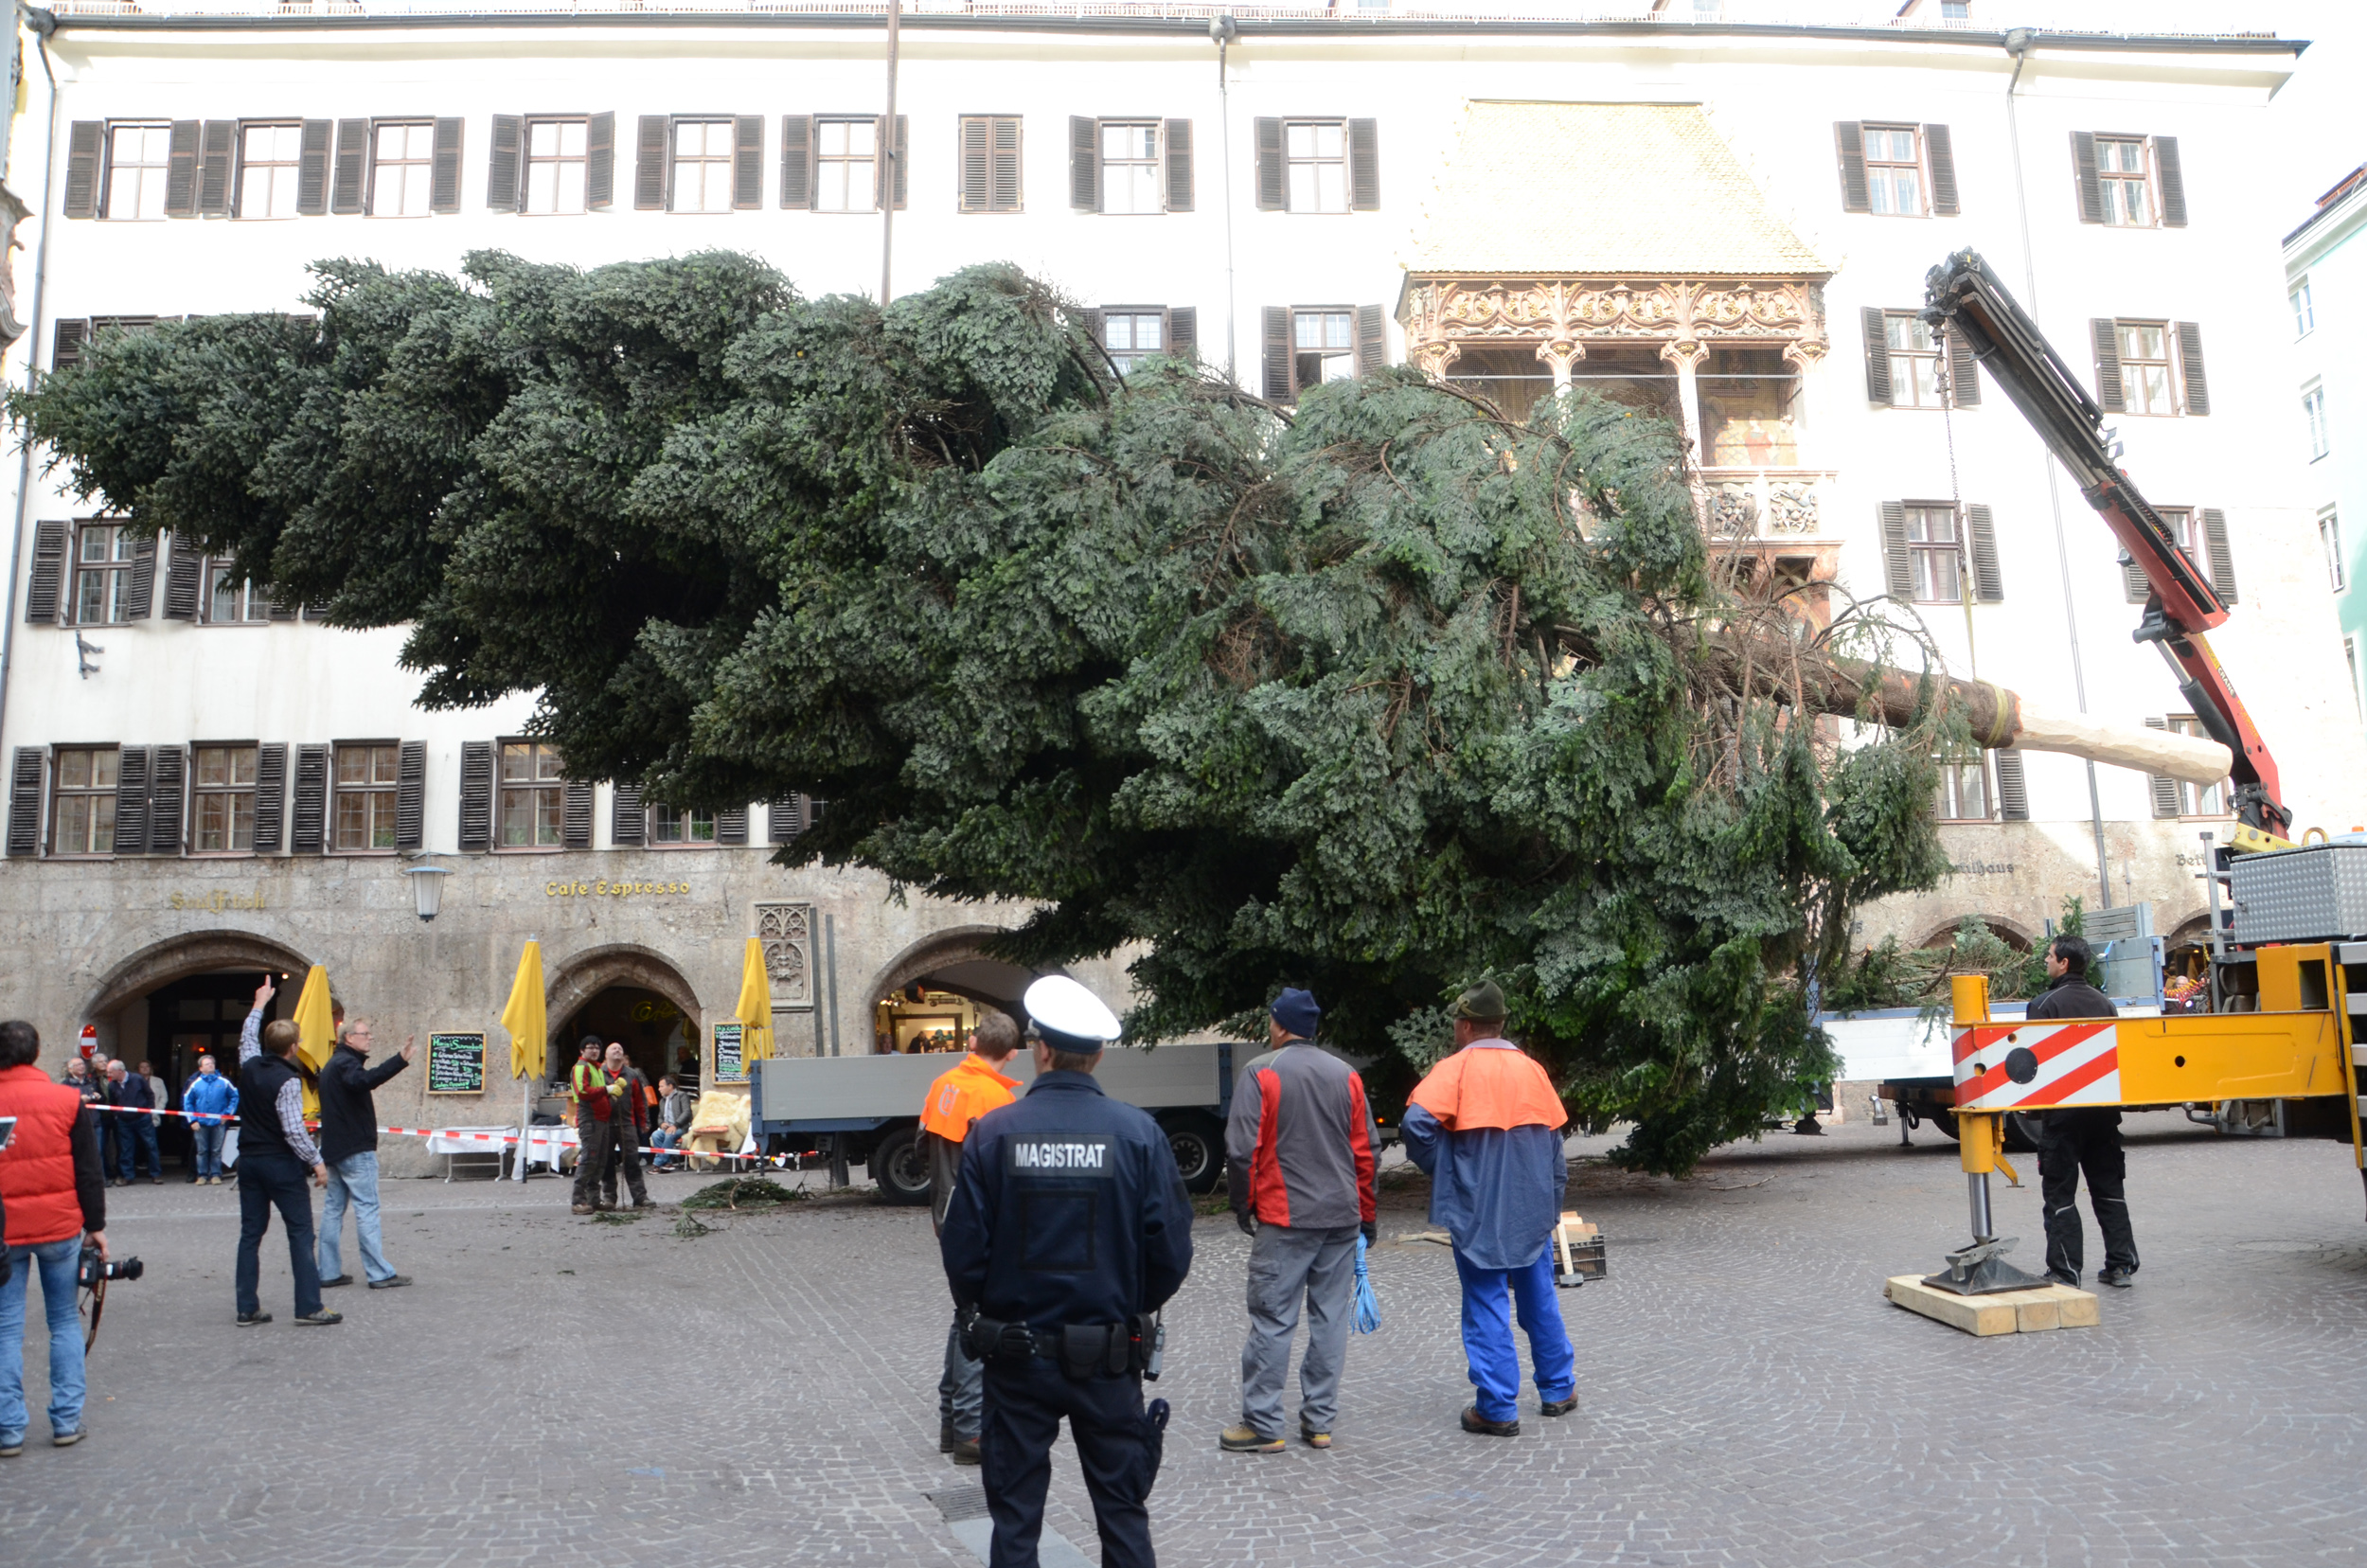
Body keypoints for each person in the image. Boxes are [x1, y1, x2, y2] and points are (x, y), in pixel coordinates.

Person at [940, 976, 1194, 1568]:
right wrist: (1129, 1302)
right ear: (1099, 1054)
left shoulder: (993, 1134)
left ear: (1040, 1049)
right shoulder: (1138, 1135)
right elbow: (1171, 1251)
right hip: (1107, 1357)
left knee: (1016, 1522)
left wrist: (984, 1314)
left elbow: (963, 1250)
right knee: (1123, 1513)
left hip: (1016, 1356)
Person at [1399, 981, 1576, 1437]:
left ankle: (1497, 1407)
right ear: (1500, 1025)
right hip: (1532, 1205)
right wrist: (1551, 1205)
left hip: (1479, 1207)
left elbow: (1416, 1124)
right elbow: (1555, 1147)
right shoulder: (1533, 1071)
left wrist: (1448, 1169)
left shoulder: (1454, 1070)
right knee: (1540, 1299)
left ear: (1464, 1026)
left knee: (1486, 1304)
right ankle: (1559, 1389)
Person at [1219, 988, 1378, 1454]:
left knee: (1273, 1318)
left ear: (1279, 1025)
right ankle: (1320, 1422)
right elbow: (1365, 1152)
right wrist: (1367, 1215)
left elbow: (1241, 1150)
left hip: (1285, 1219)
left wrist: (1242, 1205)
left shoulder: (1260, 1071)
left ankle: (1264, 1423)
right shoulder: (1346, 1075)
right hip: (1341, 1219)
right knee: (1329, 1319)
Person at [918, 1010, 1024, 1467]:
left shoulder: (944, 1082)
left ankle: (951, 1422)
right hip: (979, 1219)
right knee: (980, 1317)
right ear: (1013, 1053)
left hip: (946, 1209)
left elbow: (924, 1142)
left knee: (966, 1311)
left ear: (975, 1041)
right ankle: (969, 1431)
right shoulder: (993, 1098)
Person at [0, 1020, 110, 1455]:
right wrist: (96, 1225)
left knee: (6, 1329)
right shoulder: (65, 1099)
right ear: (35, 1052)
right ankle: (66, 1419)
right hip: (59, 1226)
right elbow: (88, 1169)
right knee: (63, 1321)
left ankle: (8, 1429)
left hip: (5, 1229)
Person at [2027, 934, 2137, 1290]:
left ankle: (2065, 1271)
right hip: (2103, 1114)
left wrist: (2033, 1111)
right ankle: (2121, 1265)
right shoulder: (2105, 1004)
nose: (2046, 960)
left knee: (2060, 1194)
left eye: (2050, 956)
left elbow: (2034, 1063)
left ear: (2064, 964)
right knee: (2108, 1189)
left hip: (2063, 1116)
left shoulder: (2044, 1005)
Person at [236, 983, 340, 1327]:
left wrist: (258, 1003)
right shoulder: (288, 1081)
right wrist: (316, 1161)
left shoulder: (249, 1066)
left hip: (248, 1161)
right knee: (300, 1232)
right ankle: (309, 1305)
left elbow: (247, 1039)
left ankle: (246, 1307)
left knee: (250, 1234)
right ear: (293, 1048)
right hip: (279, 1163)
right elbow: (294, 1130)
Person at [317, 1016, 417, 1292]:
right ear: (349, 1038)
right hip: (354, 1149)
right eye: (365, 1033)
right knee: (367, 1208)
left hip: (335, 1148)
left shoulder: (332, 1065)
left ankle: (327, 1270)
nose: (370, 1037)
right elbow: (365, 1081)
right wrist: (399, 1059)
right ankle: (378, 1273)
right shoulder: (345, 1064)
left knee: (334, 1209)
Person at [599, 1042, 651, 1211]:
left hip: (627, 1123)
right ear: (605, 1055)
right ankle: (609, 1198)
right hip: (605, 1123)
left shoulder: (632, 1074)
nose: (618, 1050)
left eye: (620, 1049)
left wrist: (644, 1122)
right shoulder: (599, 1074)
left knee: (632, 1161)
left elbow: (640, 1101)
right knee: (606, 1162)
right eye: (613, 1049)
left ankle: (640, 1197)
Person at [569, 1038, 618, 1216]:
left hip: (601, 1119)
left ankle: (593, 1200)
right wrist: (607, 1090)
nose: (594, 1050)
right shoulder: (581, 1067)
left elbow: (594, 1091)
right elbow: (583, 1091)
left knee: (600, 1160)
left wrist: (609, 1095)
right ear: (582, 1050)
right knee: (589, 1159)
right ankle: (578, 1200)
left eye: (597, 1047)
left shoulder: (595, 1067)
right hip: (590, 1118)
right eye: (590, 1047)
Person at [182, 1054, 238, 1185]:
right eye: (207, 1064)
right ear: (201, 1068)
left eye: (212, 1063)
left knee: (216, 1150)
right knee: (202, 1150)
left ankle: (216, 1174)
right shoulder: (195, 1084)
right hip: (200, 1123)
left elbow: (234, 1097)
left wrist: (227, 1114)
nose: (211, 1065)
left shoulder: (224, 1082)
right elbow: (187, 1102)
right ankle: (202, 1175)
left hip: (218, 1122)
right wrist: (193, 1120)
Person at [104, 1061, 162, 1186]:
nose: (108, 1074)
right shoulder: (112, 1085)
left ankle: (156, 1174)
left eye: (110, 1072)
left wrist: (149, 1111)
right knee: (126, 1148)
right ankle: (127, 1175)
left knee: (151, 1145)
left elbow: (149, 1095)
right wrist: (116, 1115)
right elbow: (113, 1102)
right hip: (124, 1121)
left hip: (142, 1118)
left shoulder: (137, 1079)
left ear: (119, 1071)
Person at [649, 1077, 695, 1170]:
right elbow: (660, 1117)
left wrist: (675, 1125)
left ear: (670, 1086)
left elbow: (687, 1113)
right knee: (655, 1135)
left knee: (669, 1135)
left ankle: (657, 1164)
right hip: (666, 1128)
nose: (659, 1089)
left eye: (661, 1086)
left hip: (680, 1127)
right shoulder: (662, 1100)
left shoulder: (682, 1095)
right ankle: (668, 1163)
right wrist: (661, 1124)